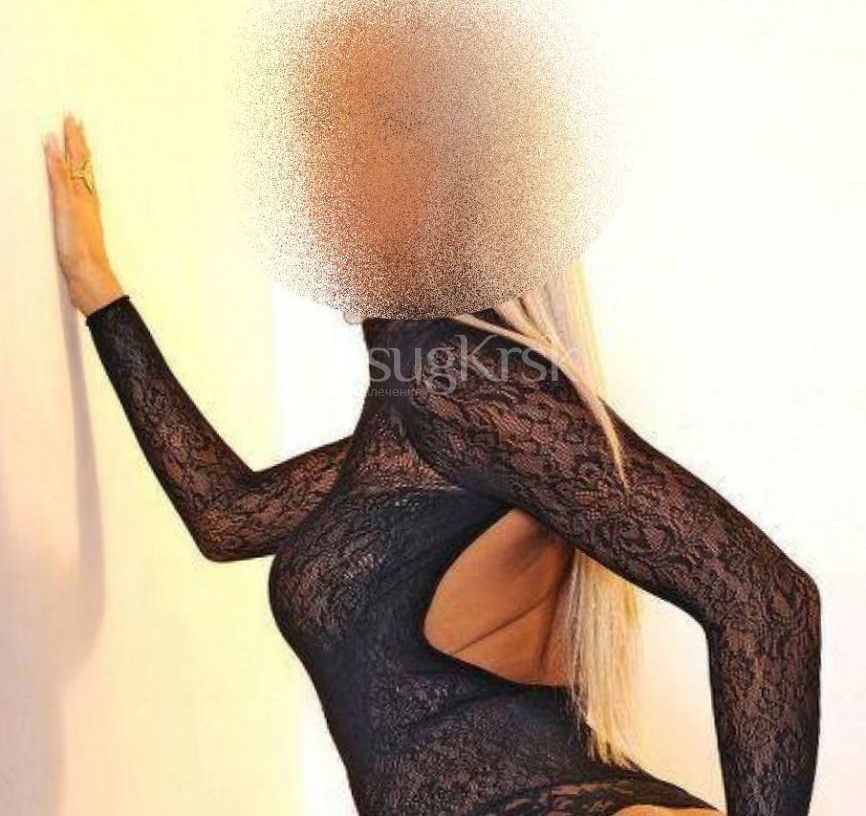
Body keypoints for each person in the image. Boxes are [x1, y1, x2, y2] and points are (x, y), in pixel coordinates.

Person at [44, 113, 821, 816]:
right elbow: (227, 516)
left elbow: (767, 599)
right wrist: (98, 290)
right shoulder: (419, 428)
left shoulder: (459, 382)